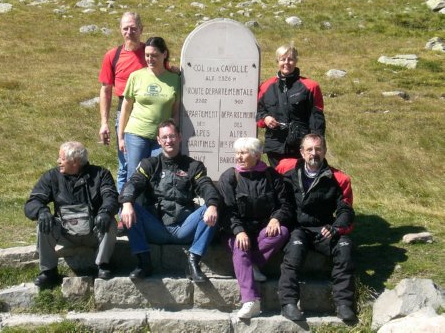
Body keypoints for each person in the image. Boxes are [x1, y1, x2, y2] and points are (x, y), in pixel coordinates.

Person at [119, 119, 219, 282]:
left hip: (184, 227)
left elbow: (206, 186)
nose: (168, 141)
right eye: (164, 137)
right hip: (157, 228)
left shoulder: (194, 166)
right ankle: (144, 263)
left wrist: (213, 205)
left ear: (179, 137)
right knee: (130, 208)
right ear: (158, 140)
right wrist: (127, 202)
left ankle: (193, 262)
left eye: (172, 136)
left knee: (213, 206)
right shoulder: (149, 164)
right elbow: (133, 183)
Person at [277, 134, 356, 322]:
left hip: (325, 229)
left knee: (345, 247)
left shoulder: (339, 178)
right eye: (310, 149)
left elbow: (346, 210)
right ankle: (288, 303)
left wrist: (336, 228)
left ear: (325, 151)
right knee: (294, 250)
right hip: (299, 228)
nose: (314, 153)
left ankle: (343, 304)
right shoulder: (286, 170)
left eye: (318, 149)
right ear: (302, 152)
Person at [25, 141, 119, 288]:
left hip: (92, 232)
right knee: (43, 224)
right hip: (64, 233)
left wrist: (105, 211)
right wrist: (41, 211)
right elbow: (33, 201)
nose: (58, 161)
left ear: (74, 162)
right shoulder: (51, 177)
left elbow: (111, 197)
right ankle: (49, 271)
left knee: (110, 222)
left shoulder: (101, 174)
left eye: (61, 158)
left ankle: (103, 264)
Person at [218, 137, 293, 319]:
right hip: (236, 230)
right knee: (240, 245)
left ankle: (251, 263)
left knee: (281, 232)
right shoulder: (229, 176)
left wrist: (276, 218)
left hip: (261, 231)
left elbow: (285, 204)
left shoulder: (271, 176)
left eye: (243, 153)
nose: (239, 157)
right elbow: (227, 211)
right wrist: (239, 231)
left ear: (257, 155)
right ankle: (251, 300)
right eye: (237, 153)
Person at [118, 36, 181, 181]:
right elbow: (125, 109)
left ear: (164, 54)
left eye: (154, 55)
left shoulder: (175, 79)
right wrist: (121, 137)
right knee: (135, 176)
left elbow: (176, 111)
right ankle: (131, 204)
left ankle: (154, 205)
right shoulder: (136, 76)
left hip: (161, 138)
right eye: (147, 55)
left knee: (159, 176)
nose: (150, 59)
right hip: (136, 134)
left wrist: (175, 135)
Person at [98, 12, 146, 195]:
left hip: (148, 113)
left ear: (141, 29)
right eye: (125, 28)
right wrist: (104, 123)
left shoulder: (150, 53)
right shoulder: (112, 56)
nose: (129, 32)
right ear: (120, 30)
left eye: (133, 28)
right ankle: (124, 212)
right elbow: (106, 89)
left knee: (149, 163)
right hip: (125, 115)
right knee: (125, 165)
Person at [256, 44, 326, 168]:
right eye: (283, 59)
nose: (286, 63)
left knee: (299, 182)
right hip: (275, 145)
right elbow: (258, 112)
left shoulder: (310, 86)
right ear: (277, 61)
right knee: (278, 183)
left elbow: (317, 117)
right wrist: (265, 118)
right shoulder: (266, 86)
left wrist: (316, 143)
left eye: (290, 59)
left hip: (300, 146)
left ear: (296, 61)